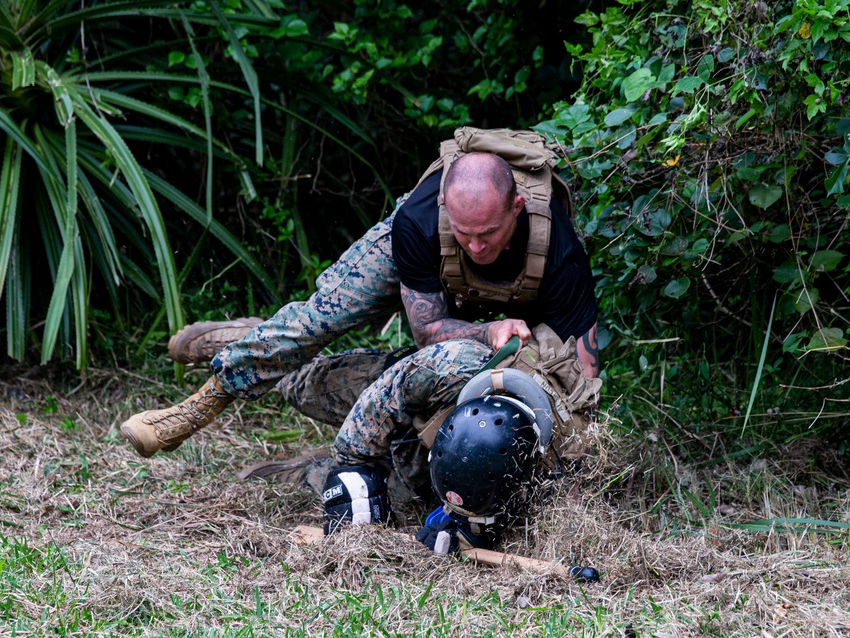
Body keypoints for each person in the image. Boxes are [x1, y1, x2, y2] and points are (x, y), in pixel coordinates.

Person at [119, 135, 599, 500]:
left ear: (516, 209)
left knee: (432, 444)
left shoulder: (558, 255)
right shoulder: (418, 221)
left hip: (492, 332)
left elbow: (579, 372)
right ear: (445, 209)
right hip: (426, 281)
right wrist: (487, 328)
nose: (474, 247)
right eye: (464, 232)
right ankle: (204, 399)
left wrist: (576, 448)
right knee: (317, 323)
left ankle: (313, 451)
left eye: (487, 234)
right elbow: (427, 333)